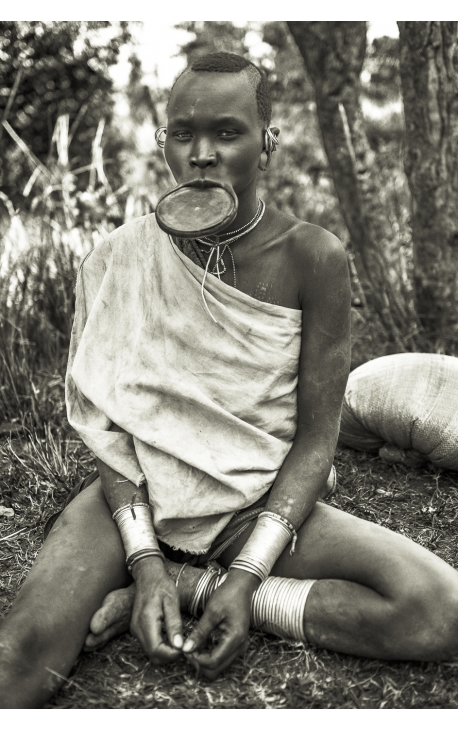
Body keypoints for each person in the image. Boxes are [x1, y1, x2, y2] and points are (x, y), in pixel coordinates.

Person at [1, 52, 458, 709]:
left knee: (439, 609)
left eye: (227, 132)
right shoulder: (118, 257)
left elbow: (314, 441)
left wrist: (244, 582)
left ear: (267, 142)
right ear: (165, 144)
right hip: (133, 497)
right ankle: (165, 577)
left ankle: (198, 587)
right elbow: (109, 430)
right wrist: (145, 560)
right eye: (182, 134)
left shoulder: (313, 258)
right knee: (20, 655)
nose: (202, 154)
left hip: (254, 500)